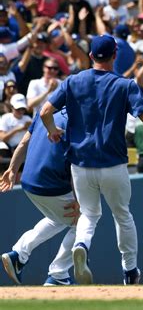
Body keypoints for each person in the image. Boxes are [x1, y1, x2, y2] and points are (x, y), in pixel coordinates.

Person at [39, 35, 143, 285]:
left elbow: (44, 112)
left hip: (81, 165)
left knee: (88, 214)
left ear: (91, 56)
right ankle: (129, 271)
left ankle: (82, 244)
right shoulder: (125, 85)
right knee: (122, 215)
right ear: (115, 55)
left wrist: (52, 129)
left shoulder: (72, 81)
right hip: (113, 164)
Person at [0, 109, 79, 286]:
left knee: (57, 218)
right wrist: (79, 201)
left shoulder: (46, 110)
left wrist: (12, 170)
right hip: (53, 184)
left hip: (28, 181)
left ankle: (18, 254)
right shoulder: (79, 119)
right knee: (86, 219)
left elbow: (23, 143)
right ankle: (58, 274)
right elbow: (74, 165)